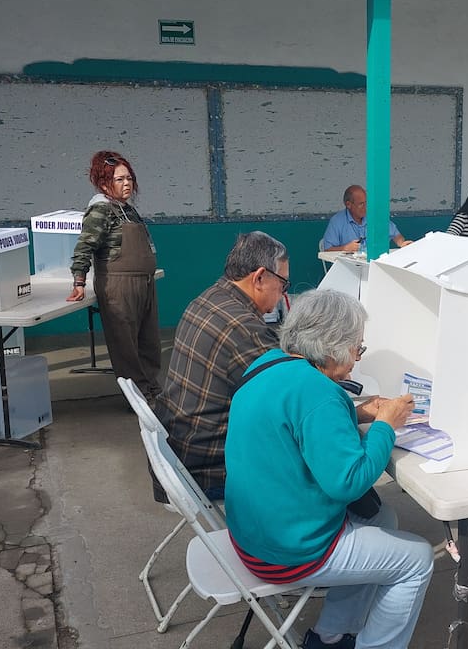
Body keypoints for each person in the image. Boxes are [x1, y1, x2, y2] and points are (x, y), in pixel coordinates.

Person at [226, 289, 432, 649]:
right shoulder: (320, 392)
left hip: (252, 533)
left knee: (384, 519)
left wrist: (359, 412)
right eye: (357, 349)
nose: (356, 361)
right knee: (417, 559)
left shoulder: (268, 365)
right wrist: (385, 425)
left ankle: (332, 635)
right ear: (331, 345)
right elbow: (349, 482)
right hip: (287, 551)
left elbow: (296, 424)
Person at [155, 231, 288, 499]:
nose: (283, 294)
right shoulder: (246, 329)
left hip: (178, 452)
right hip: (207, 467)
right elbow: (293, 401)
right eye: (283, 284)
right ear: (260, 277)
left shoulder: (209, 298)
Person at [67, 150, 161, 402]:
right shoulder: (101, 210)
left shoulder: (127, 210)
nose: (127, 183)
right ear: (104, 183)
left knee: (148, 341)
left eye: (128, 178)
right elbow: (84, 246)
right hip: (119, 286)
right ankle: (139, 398)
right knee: (125, 346)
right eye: (119, 179)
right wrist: (79, 281)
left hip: (144, 283)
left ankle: (152, 388)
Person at [322, 184, 411, 252]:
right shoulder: (337, 221)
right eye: (361, 204)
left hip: (374, 265)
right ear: (348, 204)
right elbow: (327, 250)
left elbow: (395, 234)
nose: (365, 207)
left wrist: (401, 243)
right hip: (349, 269)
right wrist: (345, 248)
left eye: (366, 203)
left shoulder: (374, 216)